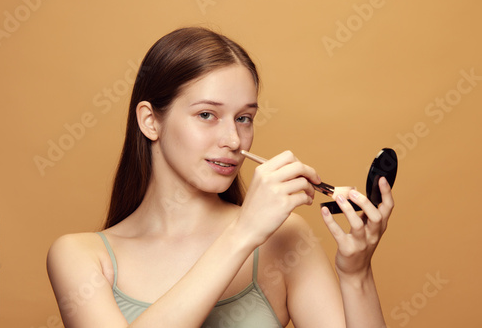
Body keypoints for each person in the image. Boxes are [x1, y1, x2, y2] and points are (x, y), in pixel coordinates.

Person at [47, 27, 394, 328]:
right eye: (207, 114)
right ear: (150, 121)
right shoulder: (79, 257)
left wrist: (357, 275)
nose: (233, 140)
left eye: (244, 118)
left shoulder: (285, 239)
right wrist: (243, 232)